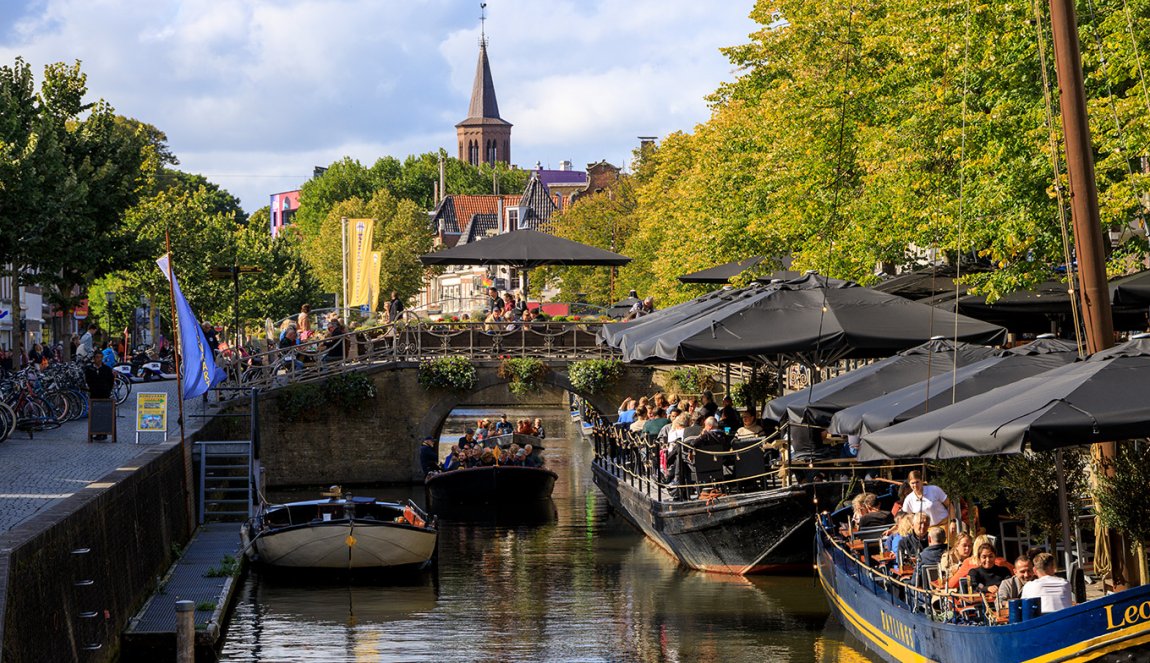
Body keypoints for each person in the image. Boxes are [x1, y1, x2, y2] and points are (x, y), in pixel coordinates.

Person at [84, 352, 115, 441]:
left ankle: (103, 433)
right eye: (97, 357)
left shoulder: (107, 369)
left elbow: (111, 381)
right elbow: (88, 380)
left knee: (104, 413)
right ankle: (96, 432)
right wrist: (92, 388)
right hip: (94, 394)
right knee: (95, 413)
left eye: (101, 357)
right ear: (94, 358)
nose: (99, 359)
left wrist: (107, 390)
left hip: (104, 394)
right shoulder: (89, 369)